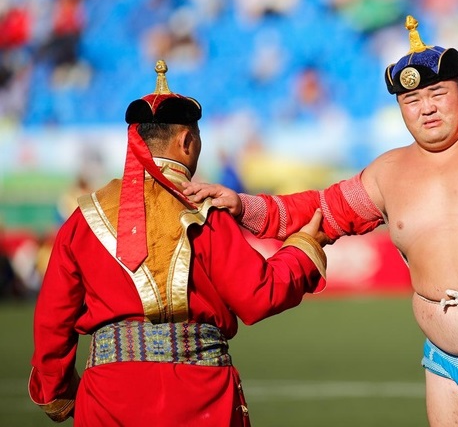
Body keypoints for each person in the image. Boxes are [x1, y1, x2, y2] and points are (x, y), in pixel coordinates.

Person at [185, 10, 458, 426]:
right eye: (412, 101)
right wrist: (243, 206)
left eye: (437, 94)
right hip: (447, 366)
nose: (426, 108)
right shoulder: (386, 173)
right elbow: (321, 210)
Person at [29, 60, 329, 426]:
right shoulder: (204, 210)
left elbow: (52, 322)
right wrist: (303, 248)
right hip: (200, 396)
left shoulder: (83, 218)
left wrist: (56, 392)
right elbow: (258, 294)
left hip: (108, 398)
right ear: (187, 141)